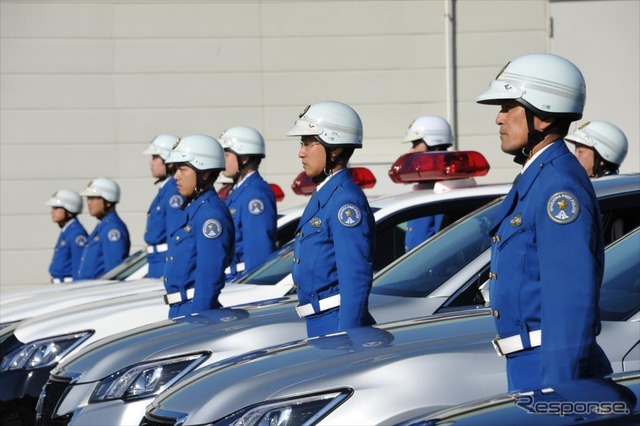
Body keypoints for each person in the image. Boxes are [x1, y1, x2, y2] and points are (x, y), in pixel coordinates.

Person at [476, 52, 612, 391]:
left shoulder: (559, 186)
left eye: (508, 106)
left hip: (549, 369)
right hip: (529, 365)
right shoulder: (538, 176)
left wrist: (560, 390)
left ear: (544, 115)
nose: (499, 118)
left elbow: (570, 300)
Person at [286, 100, 376, 338]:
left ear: (334, 148)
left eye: (308, 143)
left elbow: (355, 277)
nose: (301, 152)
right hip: (320, 322)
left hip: (336, 324)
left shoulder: (345, 202)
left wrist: (349, 336)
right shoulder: (327, 194)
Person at [162, 134, 234, 318]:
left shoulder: (210, 214)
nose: (176, 176)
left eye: (183, 169)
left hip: (194, 310)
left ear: (204, 173)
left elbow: (209, 276)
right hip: (180, 309)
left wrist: (198, 321)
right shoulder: (194, 208)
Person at [219, 126, 277, 279]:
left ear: (243, 158)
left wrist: (253, 286)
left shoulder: (254, 195)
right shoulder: (240, 190)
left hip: (242, 279)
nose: (221, 159)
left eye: (226, 154)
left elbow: (259, 251)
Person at [401, 115, 452, 251]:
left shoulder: (446, 191)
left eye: (415, 144)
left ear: (433, 144)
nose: (411, 150)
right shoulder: (427, 188)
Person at [142, 134, 185, 279]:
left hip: (164, 264)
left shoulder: (173, 193)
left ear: (169, 162)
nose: (151, 163)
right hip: (156, 262)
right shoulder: (166, 190)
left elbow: (174, 235)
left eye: (155, 157)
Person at [77, 178, 131, 279]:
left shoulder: (113, 228)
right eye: (88, 198)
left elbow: (113, 270)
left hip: (98, 290)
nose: (89, 203)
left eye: (93, 198)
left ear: (108, 201)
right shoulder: (103, 226)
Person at [45, 189, 88, 283]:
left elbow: (79, 266)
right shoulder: (67, 231)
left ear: (69, 209)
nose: (52, 212)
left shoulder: (77, 234)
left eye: (56, 208)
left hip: (68, 285)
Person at [564, 120, 628, 178]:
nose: (574, 156)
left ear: (601, 159)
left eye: (580, 152)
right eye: (575, 151)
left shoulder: (606, 189)